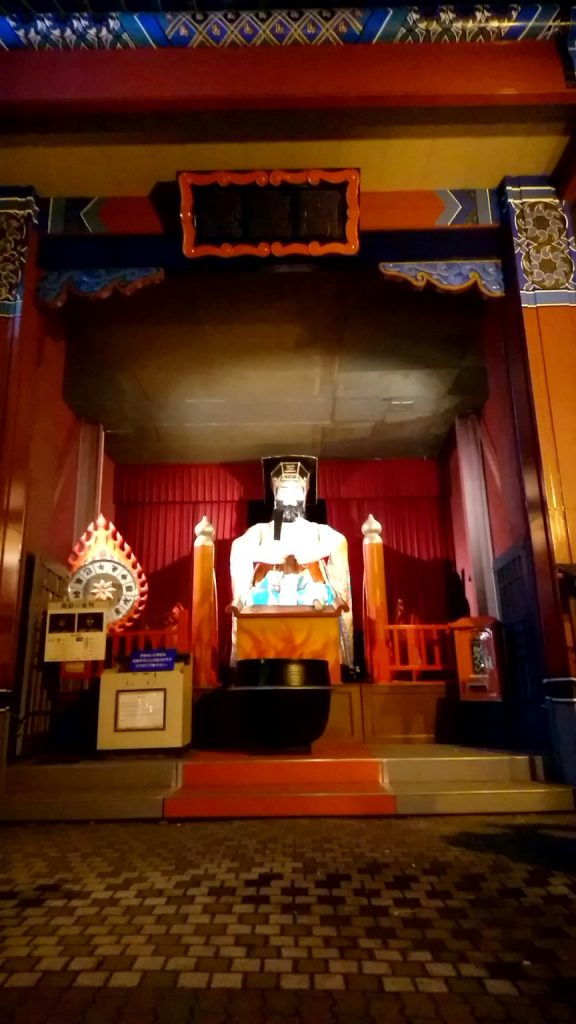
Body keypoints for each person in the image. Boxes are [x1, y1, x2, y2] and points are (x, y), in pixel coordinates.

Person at [229, 457, 353, 666]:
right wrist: (267, 554)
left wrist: (312, 553)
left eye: (295, 491)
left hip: (308, 592)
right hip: (270, 592)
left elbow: (339, 541)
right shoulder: (263, 530)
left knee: (320, 597)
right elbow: (239, 546)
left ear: (304, 495)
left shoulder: (315, 529)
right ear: (275, 495)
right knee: (255, 601)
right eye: (284, 491)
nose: (289, 497)